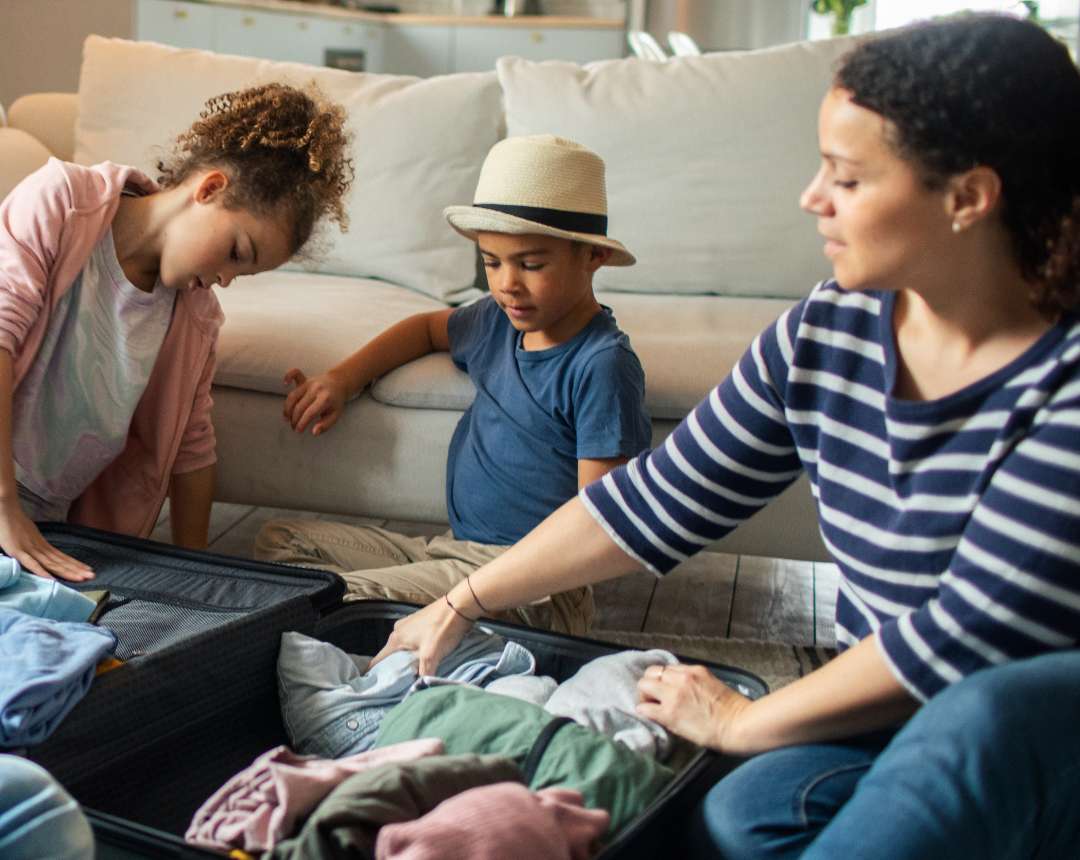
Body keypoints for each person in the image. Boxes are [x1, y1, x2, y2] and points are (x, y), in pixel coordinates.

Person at [367, 14, 1080, 857]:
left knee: (983, 717)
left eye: (848, 178)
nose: (812, 198)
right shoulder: (829, 333)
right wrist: (460, 600)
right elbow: (650, 500)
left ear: (967, 197)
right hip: (894, 714)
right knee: (739, 820)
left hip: (1020, 725)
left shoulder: (1064, 385)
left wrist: (741, 720)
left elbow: (960, 638)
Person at [255, 134, 651, 635]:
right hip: (451, 552)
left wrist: (480, 590)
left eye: (531, 264)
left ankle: (406, 637)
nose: (506, 284)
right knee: (279, 541)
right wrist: (342, 378)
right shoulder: (496, 322)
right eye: (491, 262)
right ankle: (402, 633)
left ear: (592, 256)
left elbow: (598, 530)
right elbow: (425, 329)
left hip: (536, 587)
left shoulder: (602, 365)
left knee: (344, 598)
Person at [0, 83, 353, 582]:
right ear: (209, 189)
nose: (225, 279)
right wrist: (4, 506)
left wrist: (196, 573)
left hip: (46, 522)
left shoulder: (196, 317)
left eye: (243, 274)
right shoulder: (62, 201)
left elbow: (193, 446)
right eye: (236, 252)